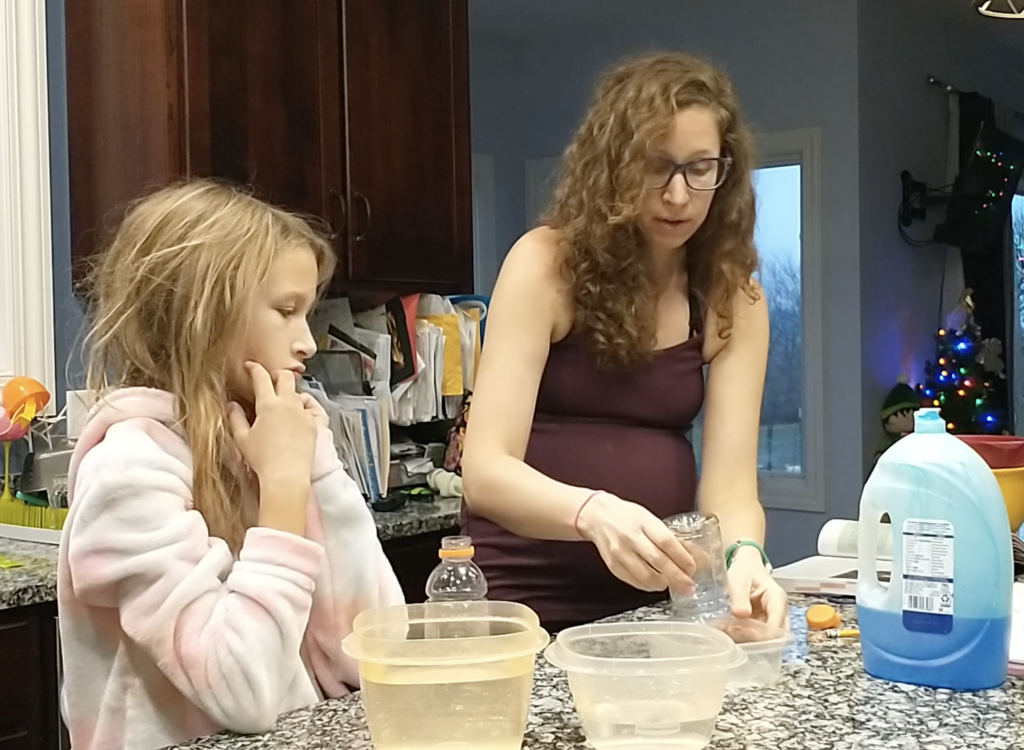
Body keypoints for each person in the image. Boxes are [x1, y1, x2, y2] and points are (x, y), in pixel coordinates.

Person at [56, 180, 404, 750]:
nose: (308, 344)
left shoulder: (269, 444)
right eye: (286, 312)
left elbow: (377, 653)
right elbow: (243, 690)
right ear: (204, 316)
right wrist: (286, 488)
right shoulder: (129, 473)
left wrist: (316, 470)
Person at [461, 51, 788, 631]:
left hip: (651, 609)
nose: (679, 194)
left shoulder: (736, 298)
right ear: (612, 165)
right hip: (521, 608)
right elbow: (485, 471)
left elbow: (732, 487)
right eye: (655, 166)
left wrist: (745, 557)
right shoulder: (544, 266)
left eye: (700, 167)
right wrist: (590, 511)